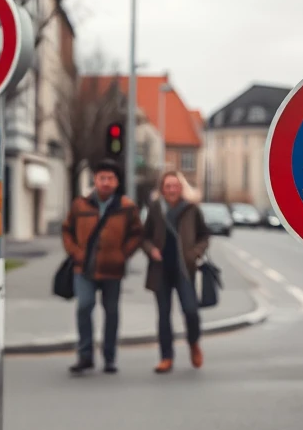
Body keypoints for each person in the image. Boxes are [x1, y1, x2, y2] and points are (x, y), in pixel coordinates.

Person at [61, 159, 143, 374]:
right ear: (95, 180)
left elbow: (137, 234)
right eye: (102, 178)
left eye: (110, 178)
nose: (106, 182)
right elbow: (67, 230)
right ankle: (85, 355)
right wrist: (75, 252)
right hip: (84, 268)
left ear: (117, 182)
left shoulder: (127, 207)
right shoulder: (80, 205)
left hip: (112, 269)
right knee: (84, 306)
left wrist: (123, 255)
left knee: (111, 312)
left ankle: (109, 357)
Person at [140, 171, 210, 373]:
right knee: (163, 315)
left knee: (190, 310)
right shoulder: (155, 208)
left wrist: (195, 253)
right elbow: (144, 237)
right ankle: (166, 357)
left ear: (181, 188)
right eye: (167, 186)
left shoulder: (191, 209)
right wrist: (151, 250)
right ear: (162, 189)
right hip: (160, 269)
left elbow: (204, 236)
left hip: (184, 269)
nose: (171, 190)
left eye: (175, 186)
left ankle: (194, 343)